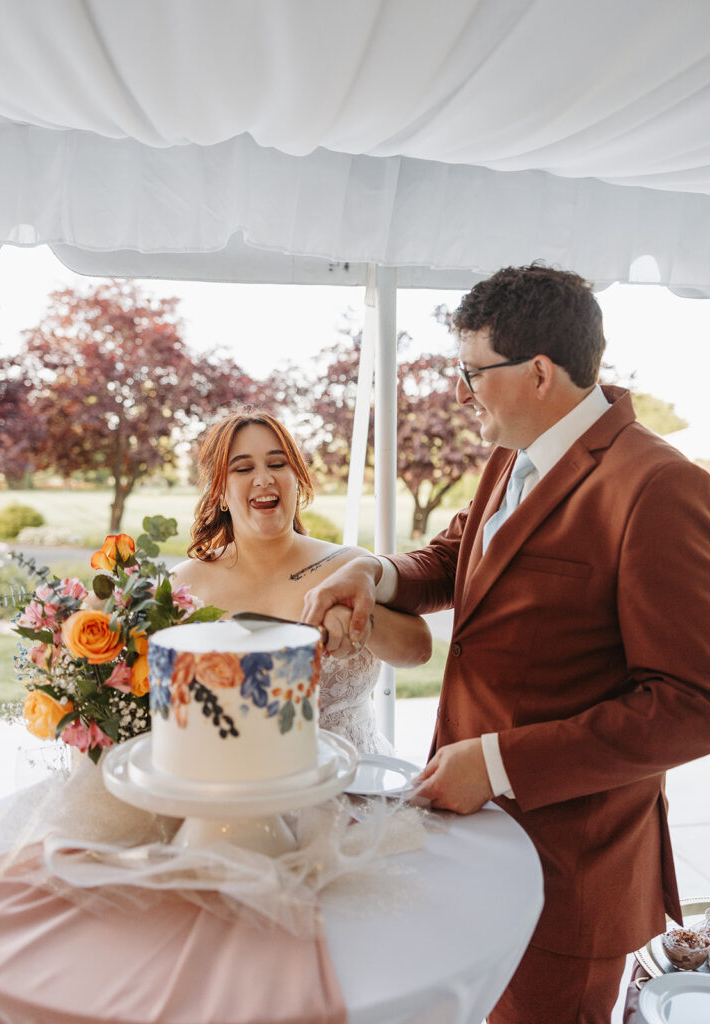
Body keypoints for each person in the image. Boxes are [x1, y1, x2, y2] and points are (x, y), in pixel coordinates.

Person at [302, 264, 710, 1024]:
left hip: (572, 869)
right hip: (478, 838)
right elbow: (458, 562)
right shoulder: (511, 454)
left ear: (540, 372)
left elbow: (690, 706)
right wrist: (375, 571)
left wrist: (497, 764)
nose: (462, 392)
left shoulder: (658, 487)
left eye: (471, 372)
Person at [172, 409, 432, 755]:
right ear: (218, 492)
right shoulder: (182, 587)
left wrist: (362, 619)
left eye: (277, 464)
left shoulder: (348, 565)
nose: (264, 478)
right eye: (244, 468)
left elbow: (420, 650)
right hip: (239, 795)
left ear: (297, 478)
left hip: (357, 784)